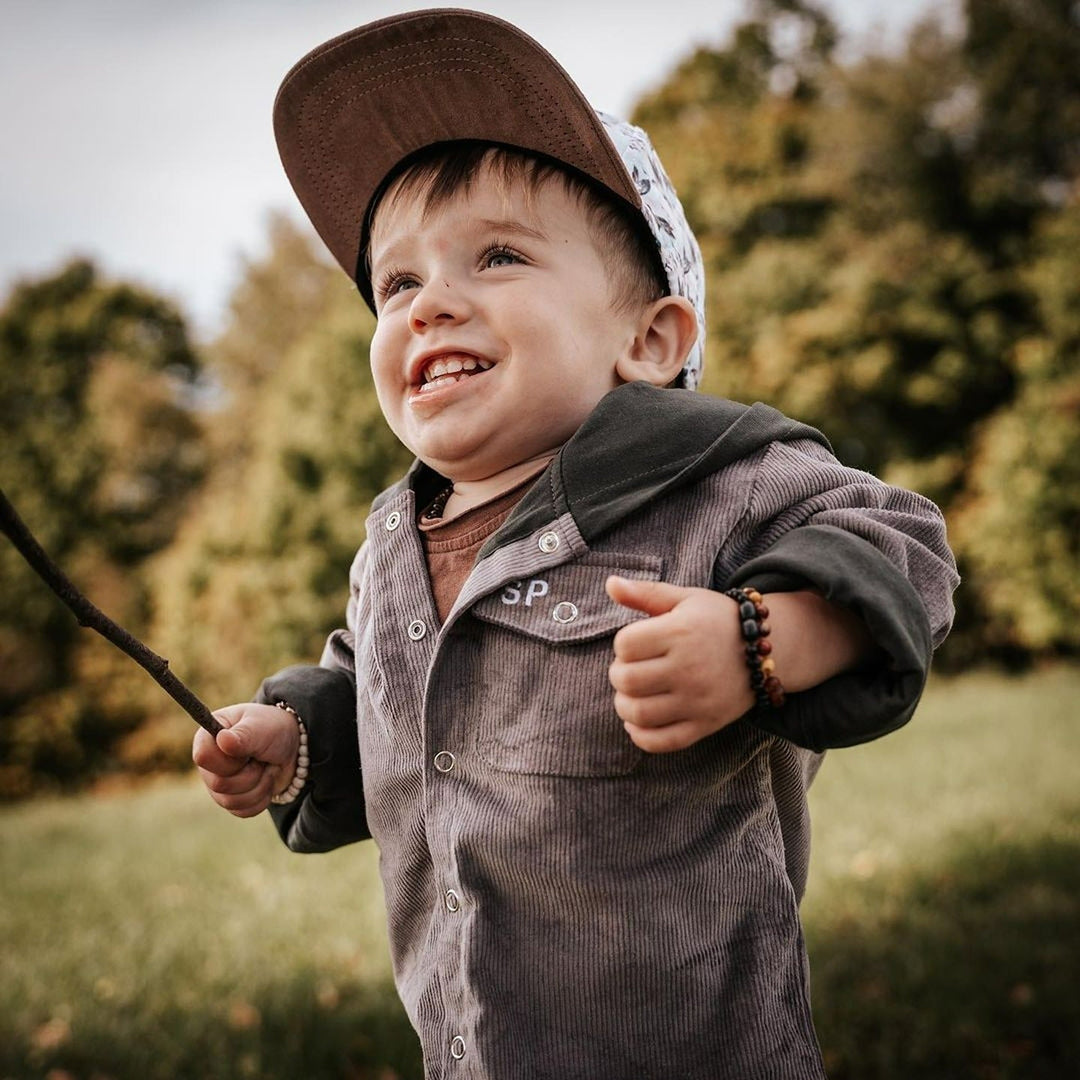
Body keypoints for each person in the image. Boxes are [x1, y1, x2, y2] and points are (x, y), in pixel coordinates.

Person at [193, 10, 959, 1079]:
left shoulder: (709, 478)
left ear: (648, 338)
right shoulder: (391, 546)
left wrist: (760, 637)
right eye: (398, 281)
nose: (430, 304)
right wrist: (303, 737)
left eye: (496, 256)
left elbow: (905, 543)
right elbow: (394, 691)